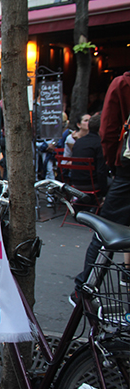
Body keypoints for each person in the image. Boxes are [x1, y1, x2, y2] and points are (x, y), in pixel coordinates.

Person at [76, 71, 130, 298]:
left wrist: (114, 164)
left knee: (105, 232)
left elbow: (108, 130)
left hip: (126, 172)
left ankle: (84, 290)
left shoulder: (124, 83)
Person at [70, 113, 108, 195]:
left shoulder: (79, 141)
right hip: (91, 184)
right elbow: (101, 171)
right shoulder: (99, 143)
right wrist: (104, 193)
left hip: (75, 182)